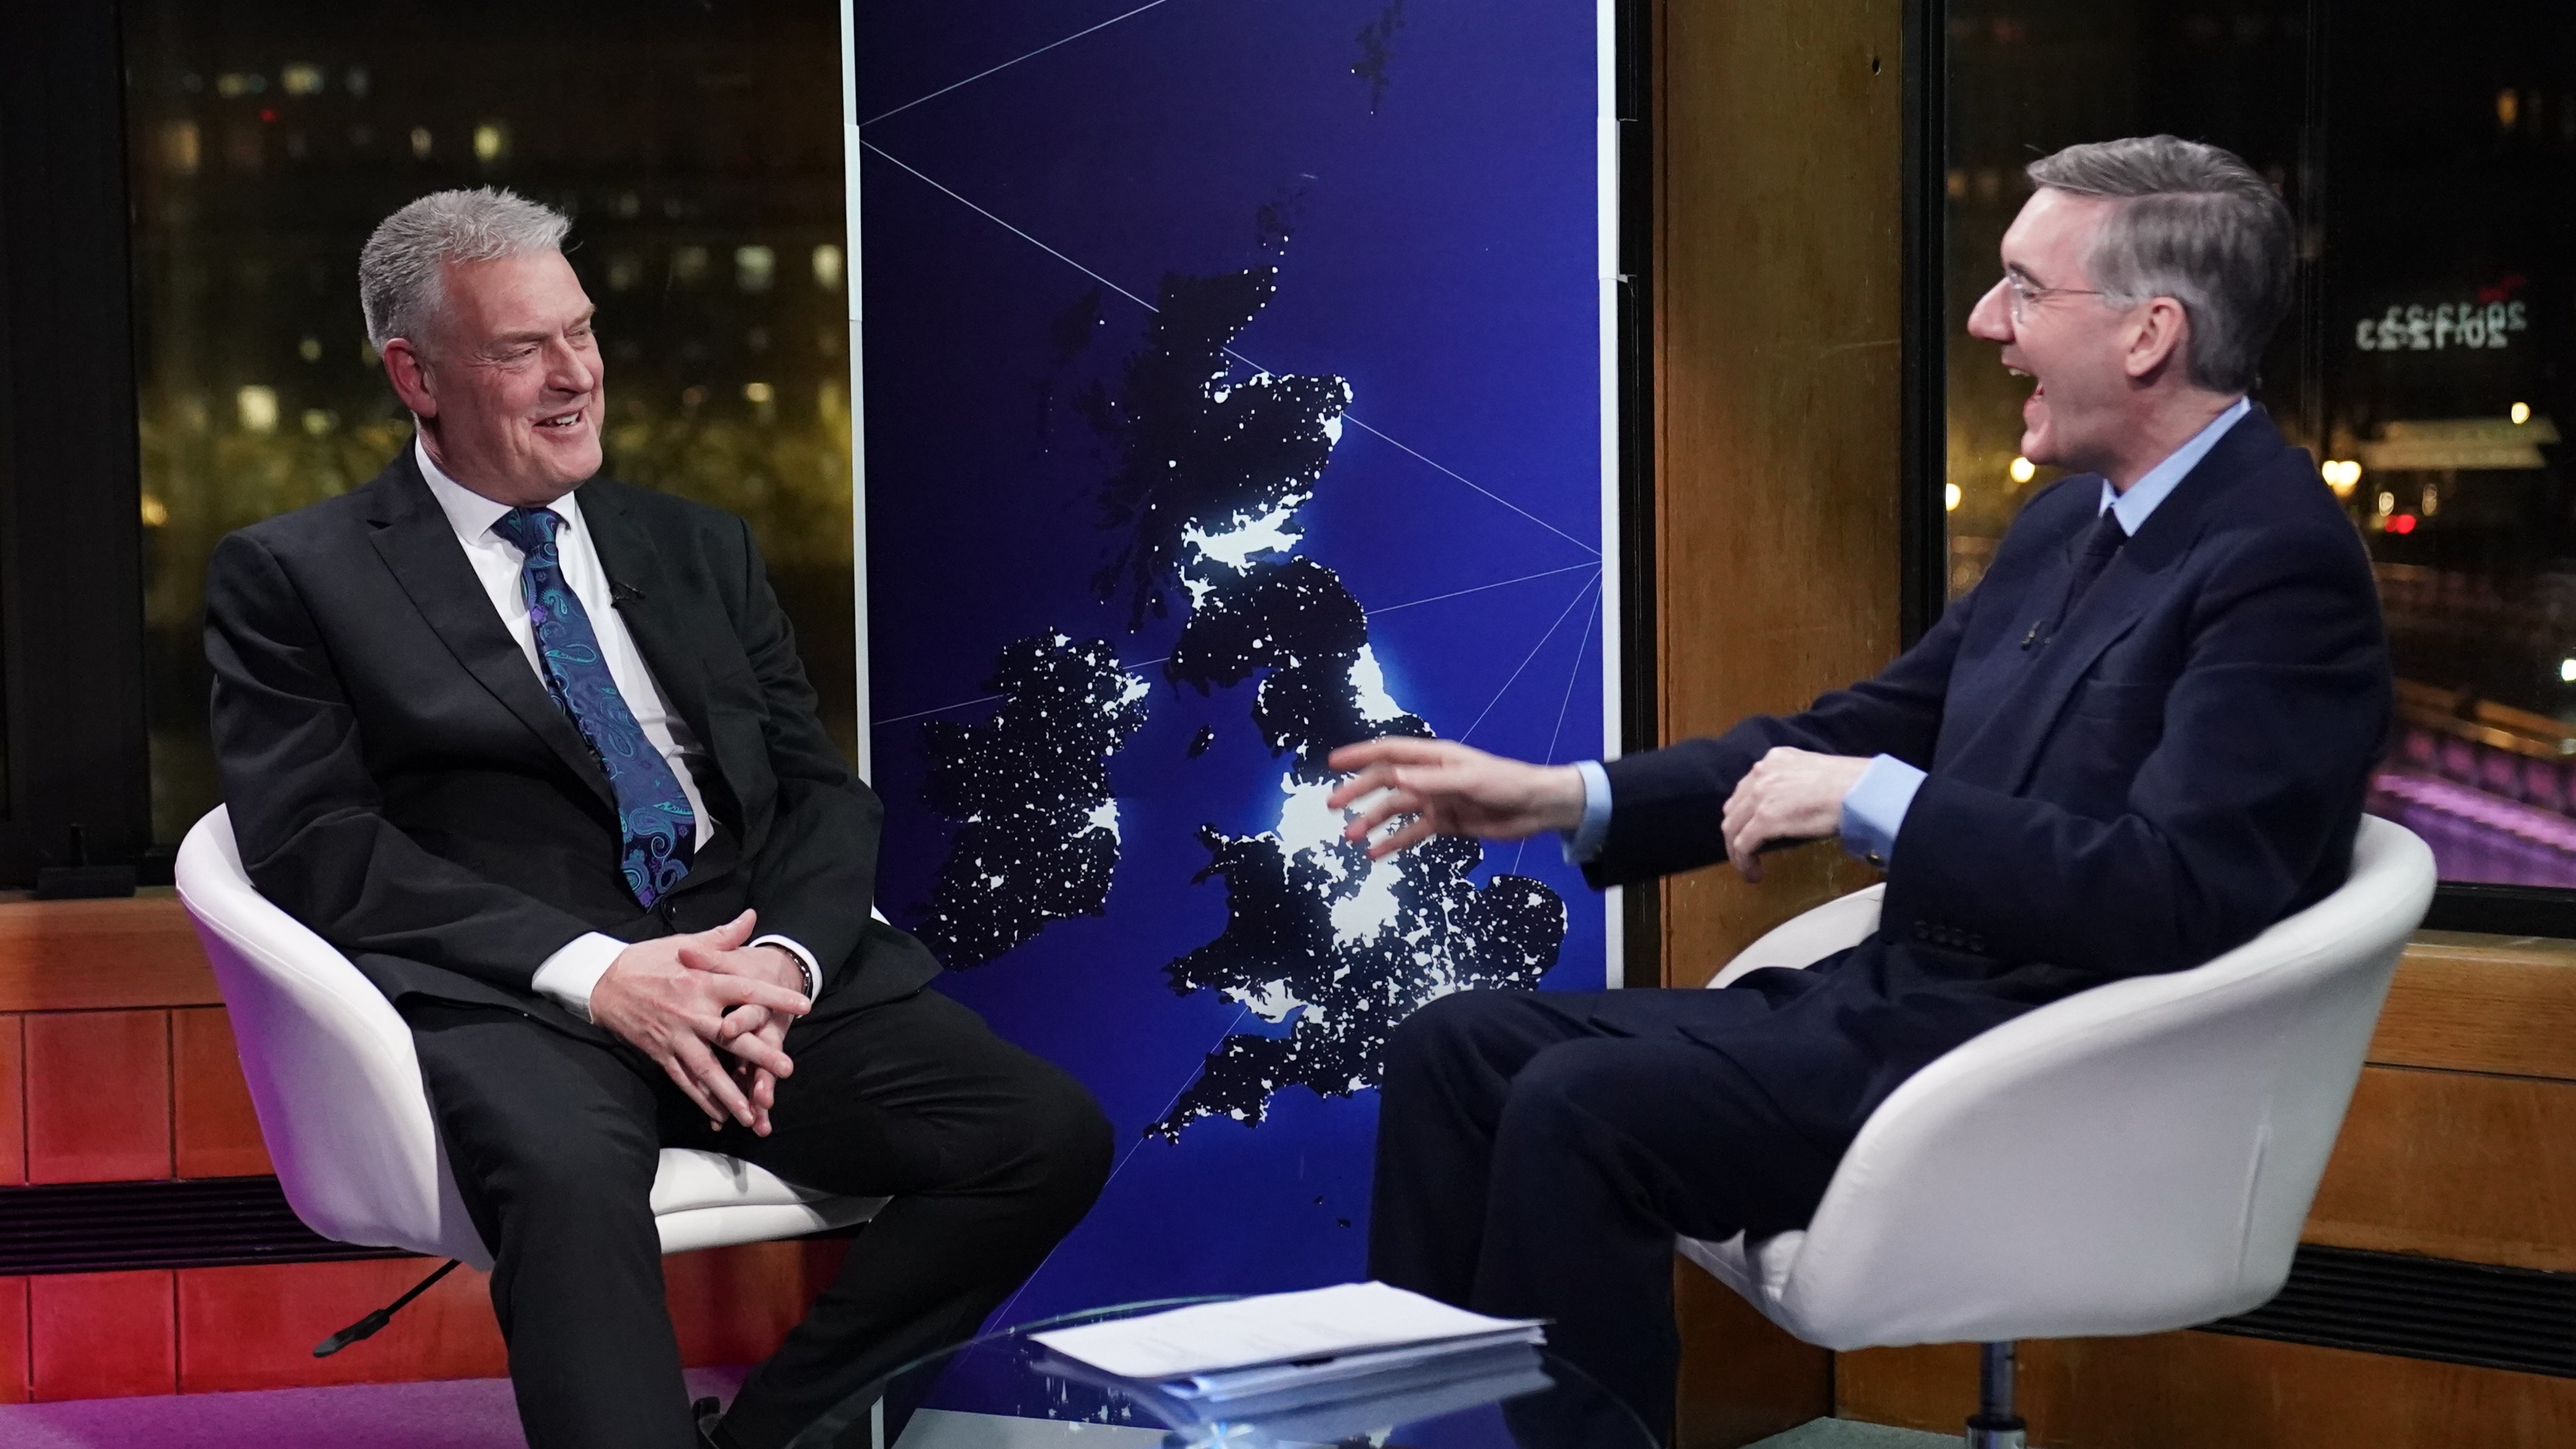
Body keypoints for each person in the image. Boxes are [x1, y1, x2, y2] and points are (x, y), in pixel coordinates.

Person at [1331, 136, 2391, 1439]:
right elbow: (1853, 733)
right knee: (1455, 1051)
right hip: (1886, 1015)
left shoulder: (2280, 565)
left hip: (2031, 1067)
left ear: (2147, 334)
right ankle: (1399, 1429)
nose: (1984, 321)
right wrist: (1562, 797)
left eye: (2023, 288)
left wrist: (1877, 801)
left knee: (1578, 1108)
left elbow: (2175, 891)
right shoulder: (2067, 523)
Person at [204, 188, 1111, 1449]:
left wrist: (781, 965)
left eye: (581, 332)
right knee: (570, 1180)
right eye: (523, 349)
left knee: (1040, 1135)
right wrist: (599, 974)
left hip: (743, 973)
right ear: (415, 375)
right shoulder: (297, 575)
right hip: (530, 998)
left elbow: (817, 792)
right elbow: (314, 845)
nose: (576, 375)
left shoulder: (698, 547)